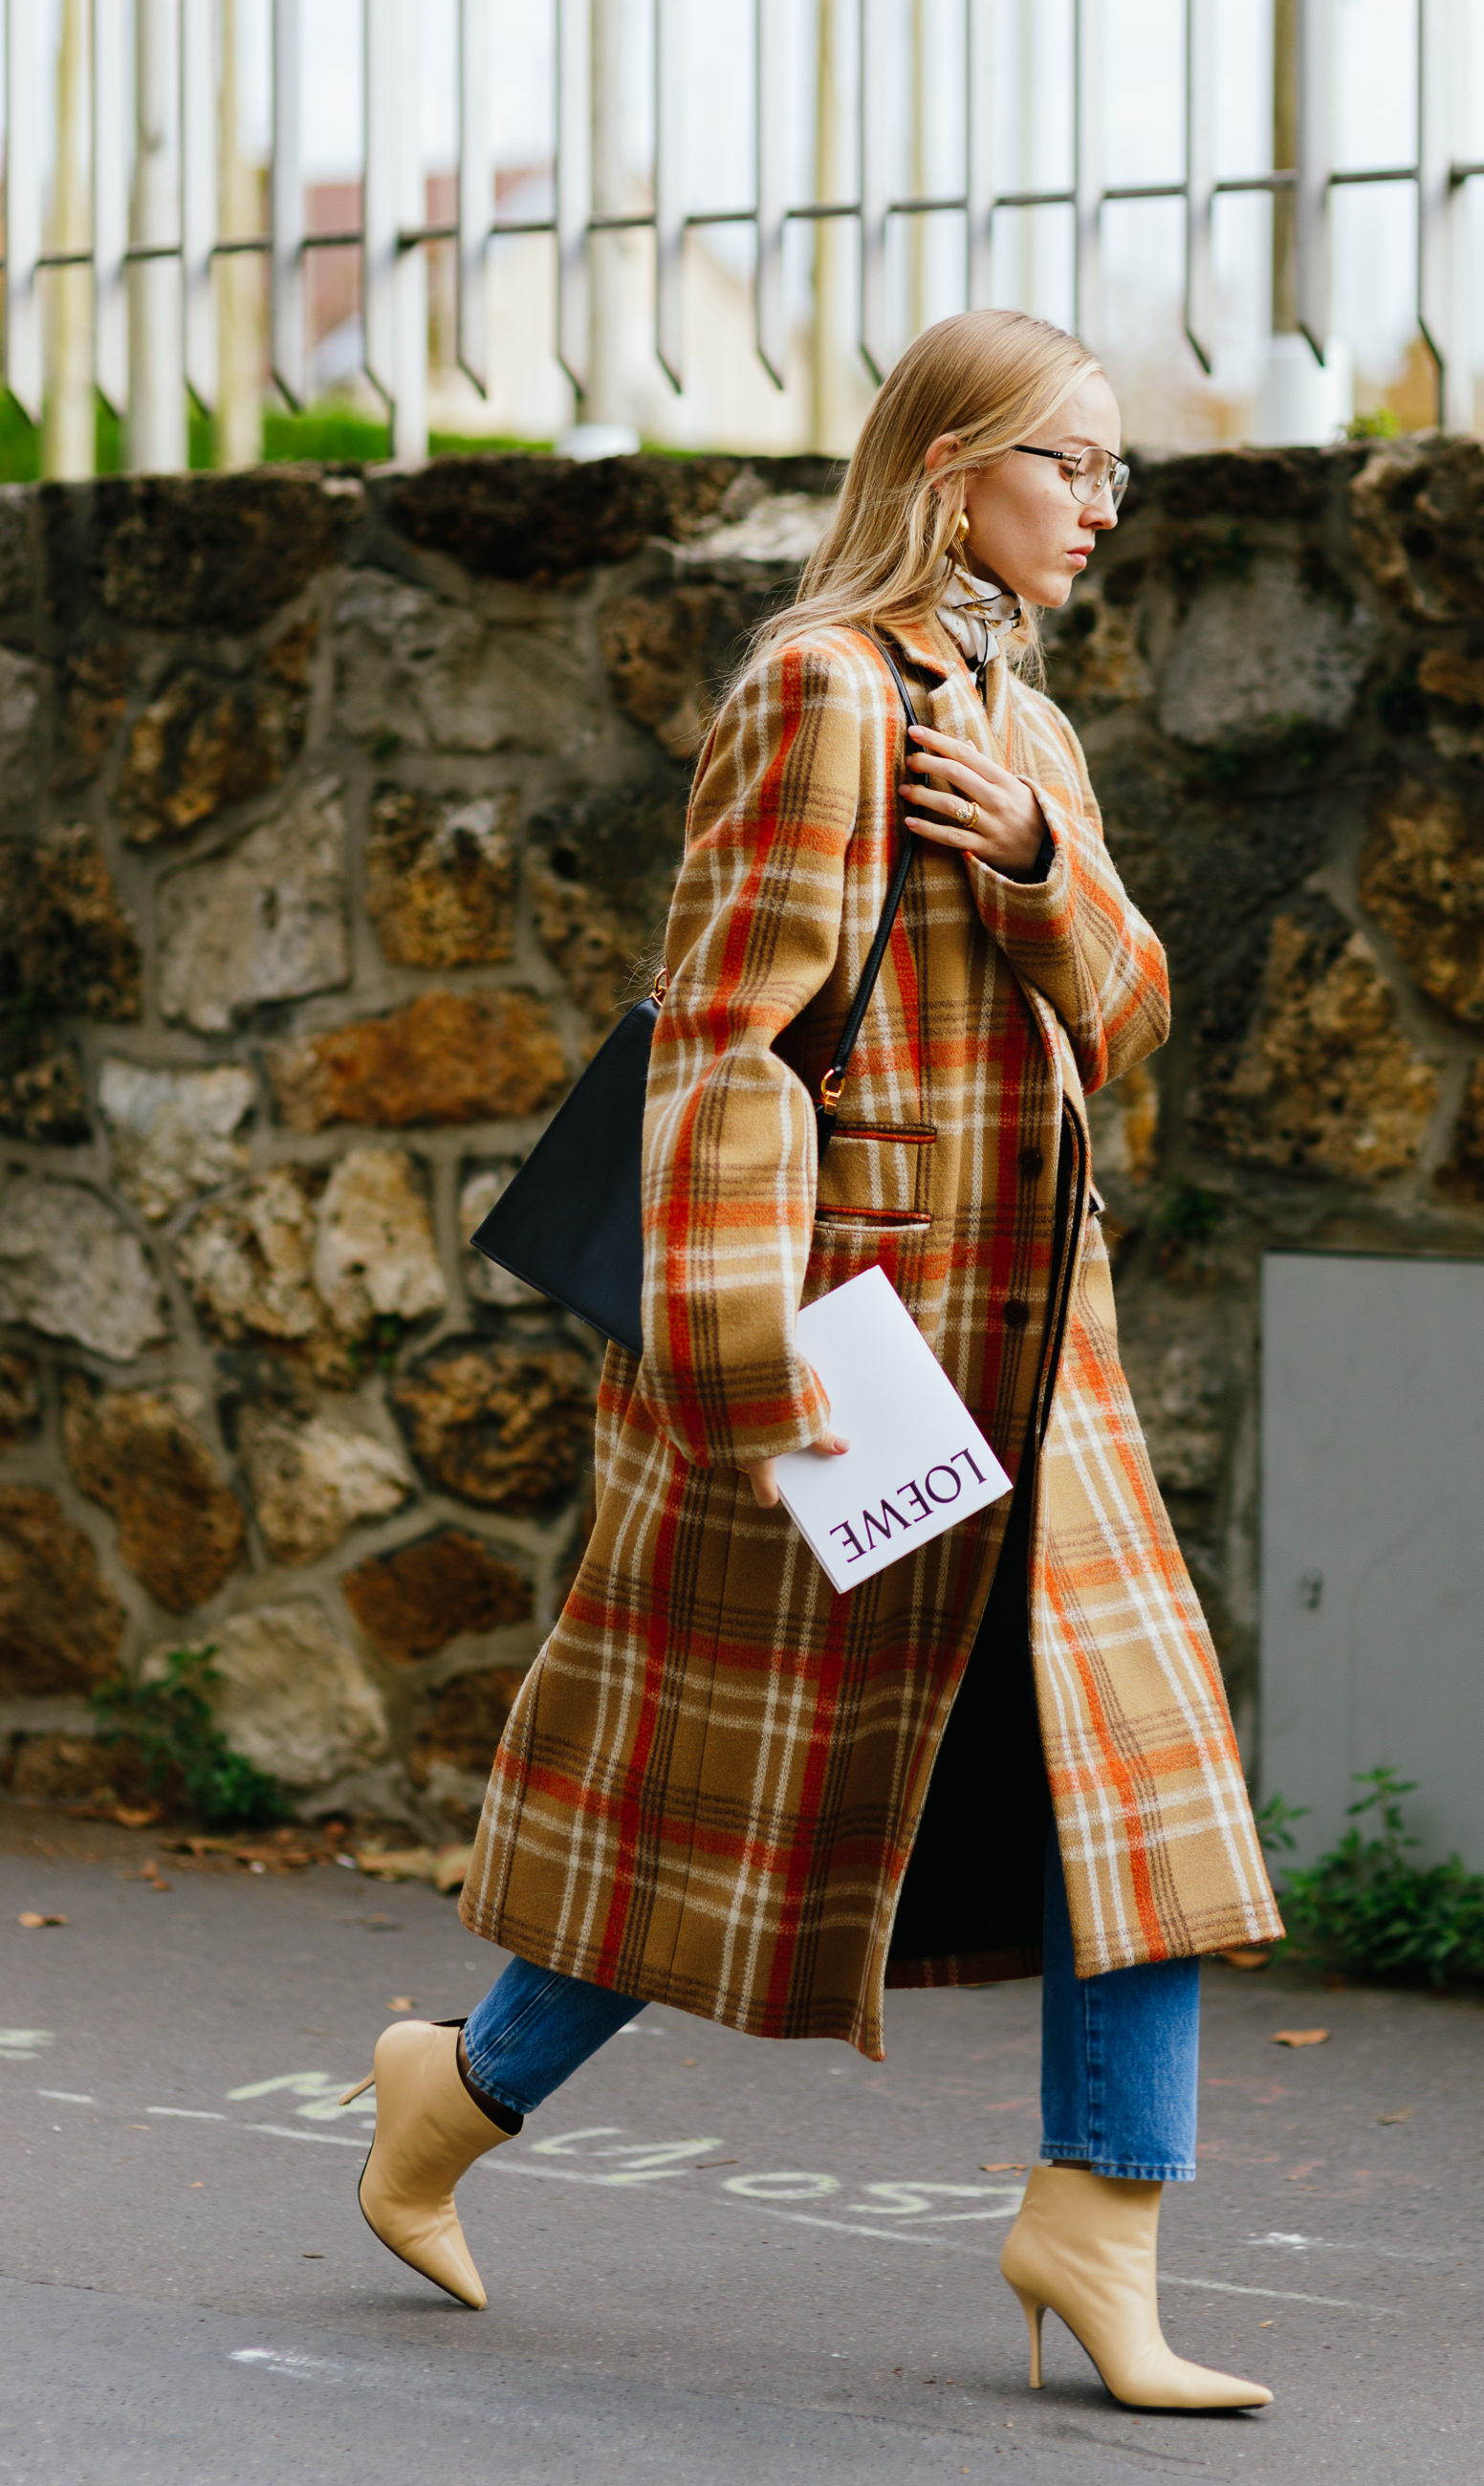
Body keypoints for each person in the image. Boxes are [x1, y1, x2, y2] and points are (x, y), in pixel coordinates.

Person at [342, 308, 1283, 2413]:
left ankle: (1101, 2221)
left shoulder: (1021, 725)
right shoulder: (816, 690)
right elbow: (727, 1045)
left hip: (1043, 1364)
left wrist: (1036, 868)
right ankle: (450, 2099)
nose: (1107, 508)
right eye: (1075, 466)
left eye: (1119, 472)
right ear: (953, 471)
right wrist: (760, 1371)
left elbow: (1125, 1013)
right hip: (853, 1366)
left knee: (1135, 1789)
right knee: (721, 1807)